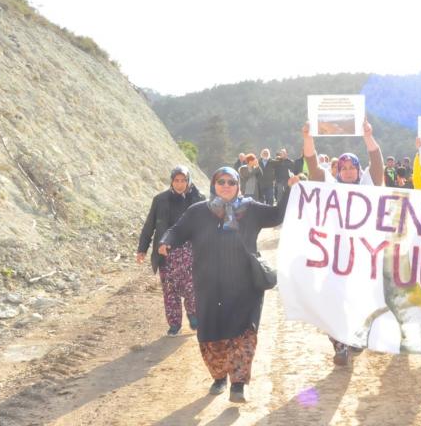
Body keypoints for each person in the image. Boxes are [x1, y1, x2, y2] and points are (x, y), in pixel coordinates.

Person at [158, 167, 298, 403]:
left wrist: (290, 190)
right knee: (211, 335)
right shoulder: (198, 211)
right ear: (214, 185)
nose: (225, 185)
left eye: (231, 182)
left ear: (238, 185)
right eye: (220, 181)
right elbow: (177, 231)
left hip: (245, 284)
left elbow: (277, 215)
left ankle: (238, 384)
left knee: (244, 334)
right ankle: (219, 377)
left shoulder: (250, 209)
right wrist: (166, 241)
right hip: (208, 284)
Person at [302, 119, 384, 366]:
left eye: (352, 168)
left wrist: (368, 136)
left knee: (359, 300)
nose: (348, 171)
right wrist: (308, 138)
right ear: (338, 171)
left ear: (358, 170)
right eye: (344, 168)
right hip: (333, 257)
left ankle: (356, 338)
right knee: (333, 300)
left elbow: (377, 163)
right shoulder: (329, 186)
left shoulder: (368, 185)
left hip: (362, 257)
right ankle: (340, 346)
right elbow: (314, 167)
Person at [136, 166, 205, 336]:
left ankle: (193, 312)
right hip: (165, 252)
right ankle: (174, 324)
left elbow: (206, 226)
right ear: (171, 181)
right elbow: (149, 225)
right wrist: (142, 249)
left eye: (183, 180)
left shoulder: (198, 199)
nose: (180, 184)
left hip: (190, 251)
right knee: (170, 290)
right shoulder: (160, 200)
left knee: (191, 287)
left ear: (189, 181)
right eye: (177, 181)